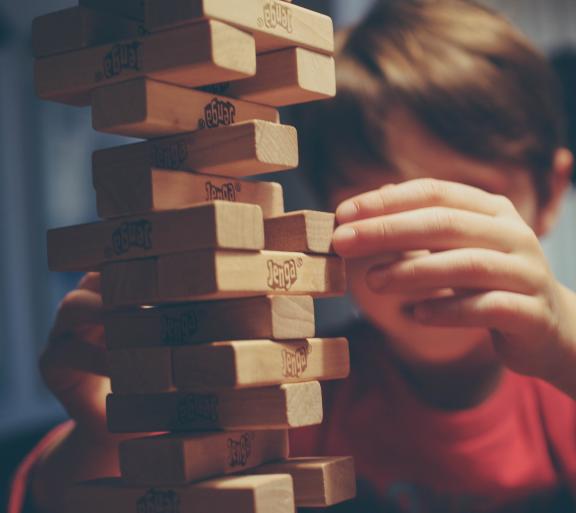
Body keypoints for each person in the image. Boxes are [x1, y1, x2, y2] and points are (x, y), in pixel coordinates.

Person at [11, 1, 576, 512]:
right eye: (378, 211)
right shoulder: (286, 392)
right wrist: (112, 436)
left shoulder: (562, 382)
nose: (422, 253)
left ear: (550, 194)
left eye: (460, 206)